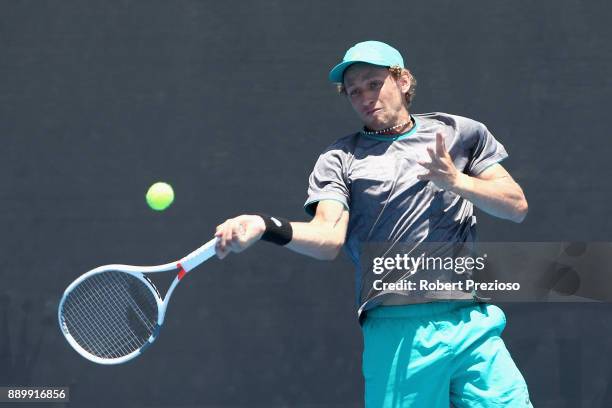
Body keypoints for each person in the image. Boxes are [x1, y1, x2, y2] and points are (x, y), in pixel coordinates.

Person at [214, 40, 532, 407]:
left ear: (403, 81)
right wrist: (265, 226)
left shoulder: (460, 132)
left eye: (373, 83)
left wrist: (457, 182)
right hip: (398, 330)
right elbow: (328, 236)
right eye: (353, 91)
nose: (365, 96)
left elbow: (516, 206)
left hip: (472, 321)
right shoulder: (340, 159)